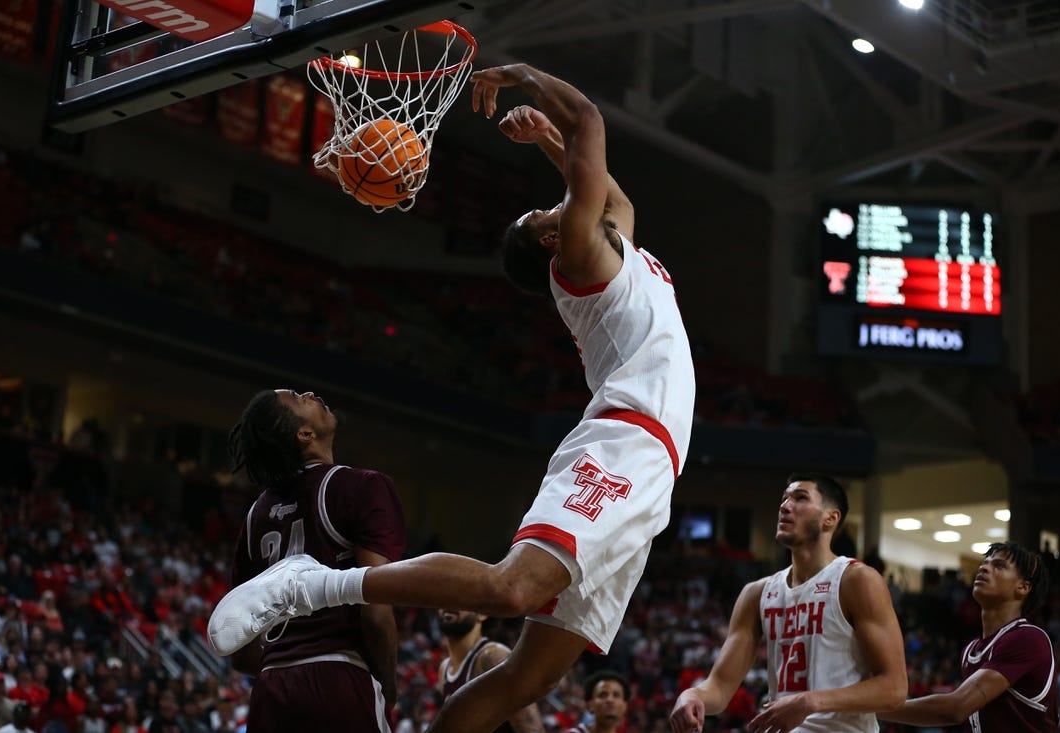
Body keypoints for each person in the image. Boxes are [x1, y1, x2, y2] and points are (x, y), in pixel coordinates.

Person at [209, 62, 696, 733]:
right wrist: (528, 79)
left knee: (526, 677)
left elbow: (614, 195)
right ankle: (313, 583)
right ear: (554, 238)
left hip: (653, 466)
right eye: (548, 212)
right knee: (510, 587)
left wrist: (548, 140)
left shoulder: (618, 245)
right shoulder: (580, 257)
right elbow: (593, 122)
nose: (562, 202)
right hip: (624, 438)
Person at [213, 388, 408, 733]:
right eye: (300, 398)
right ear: (304, 434)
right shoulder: (362, 487)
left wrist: (290, 662)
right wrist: (388, 686)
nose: (311, 393)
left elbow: (240, 649)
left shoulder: (255, 515)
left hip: (271, 688)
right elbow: (376, 613)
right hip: (339, 676)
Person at [669, 474, 907, 733]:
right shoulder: (757, 593)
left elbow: (894, 688)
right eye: (784, 499)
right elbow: (720, 687)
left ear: (830, 518)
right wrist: (693, 695)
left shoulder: (856, 580)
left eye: (800, 498)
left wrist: (810, 701)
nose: (785, 506)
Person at [879, 541, 1058, 732]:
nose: (984, 567)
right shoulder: (971, 651)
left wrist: (870, 709)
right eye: (985, 563)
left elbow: (955, 708)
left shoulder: (1028, 638)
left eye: (998, 565)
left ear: (1023, 587)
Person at [436, 610, 542, 733]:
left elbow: (531, 726)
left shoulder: (493, 657)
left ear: (482, 613)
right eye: (446, 598)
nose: (449, 605)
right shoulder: (444, 668)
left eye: (460, 600)